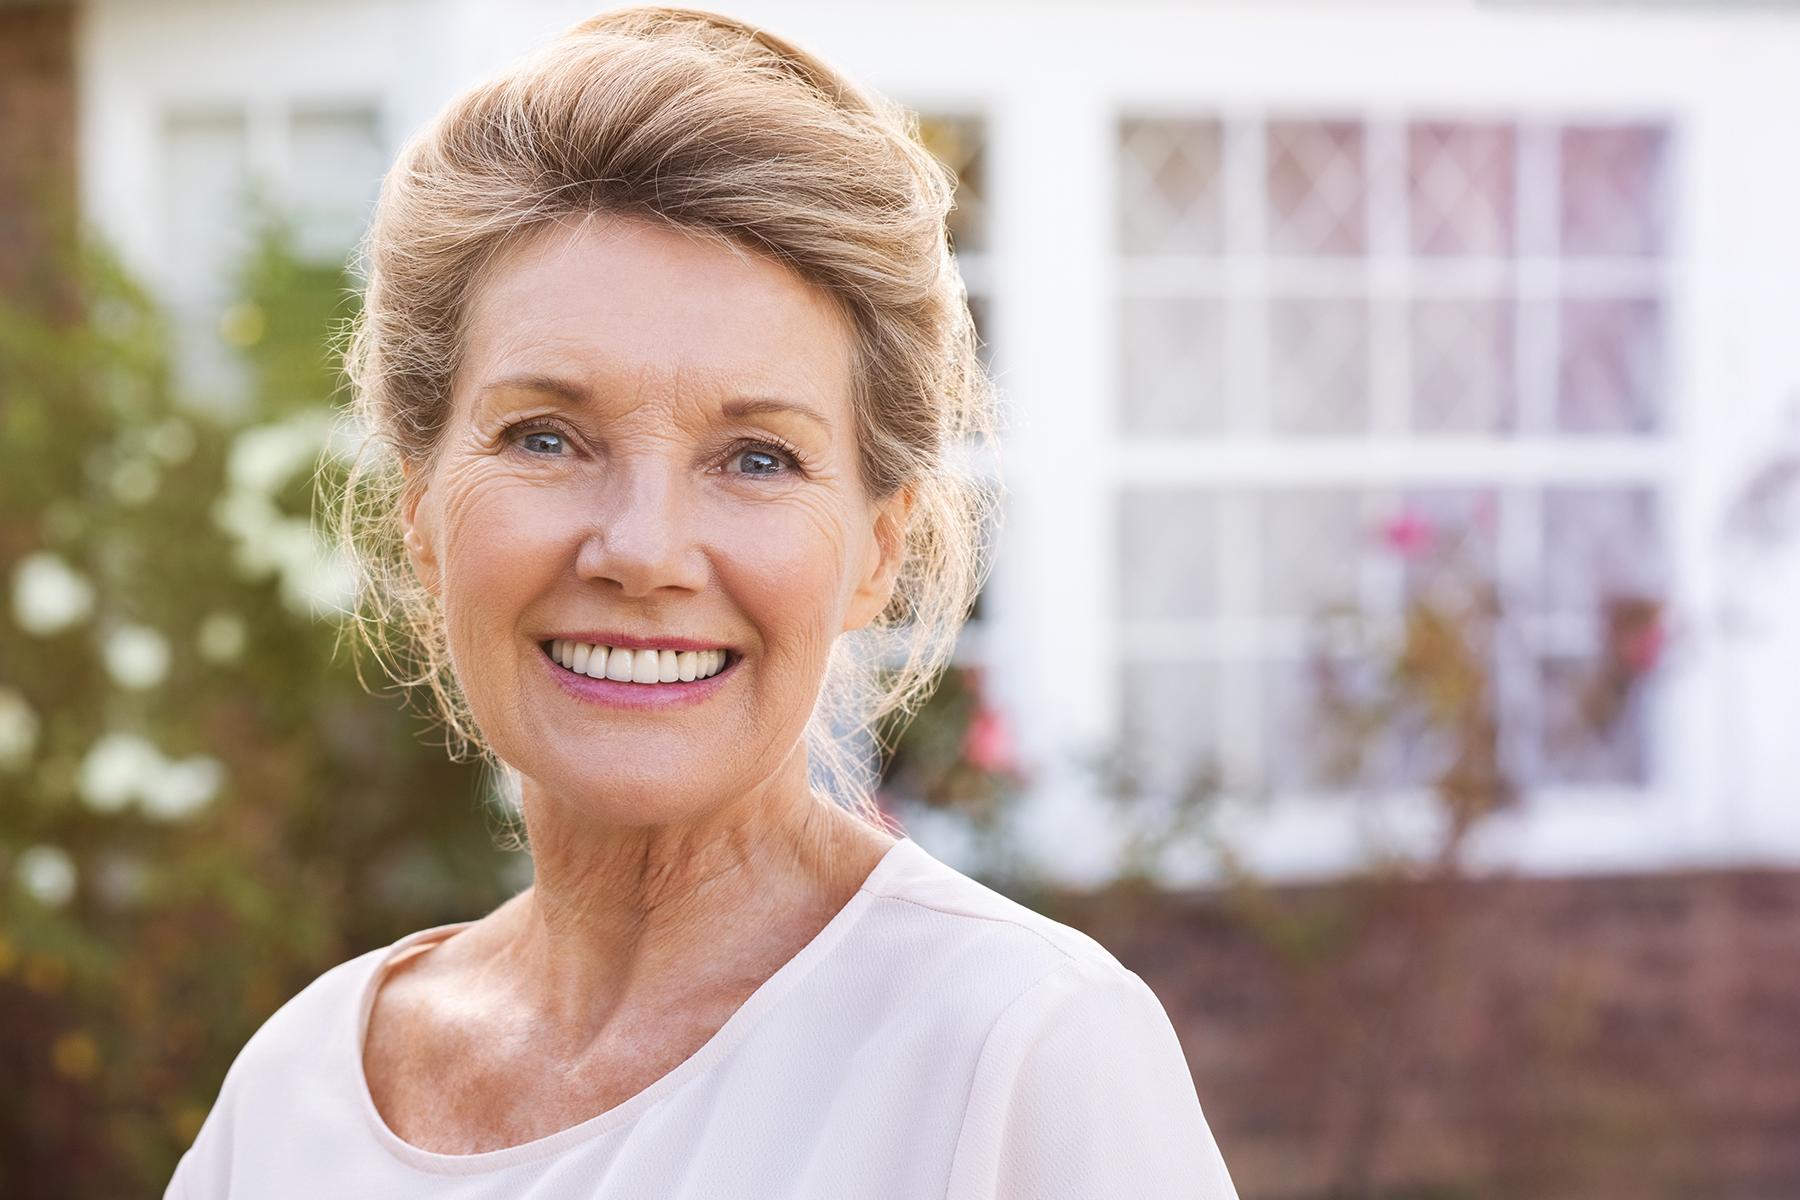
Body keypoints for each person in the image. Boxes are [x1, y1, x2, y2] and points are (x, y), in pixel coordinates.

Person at [166, 8, 1238, 1197]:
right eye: (547, 437)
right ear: (419, 511)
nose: (644, 551)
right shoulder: (296, 1094)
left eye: (758, 458)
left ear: (878, 549)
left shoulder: (1017, 1049)